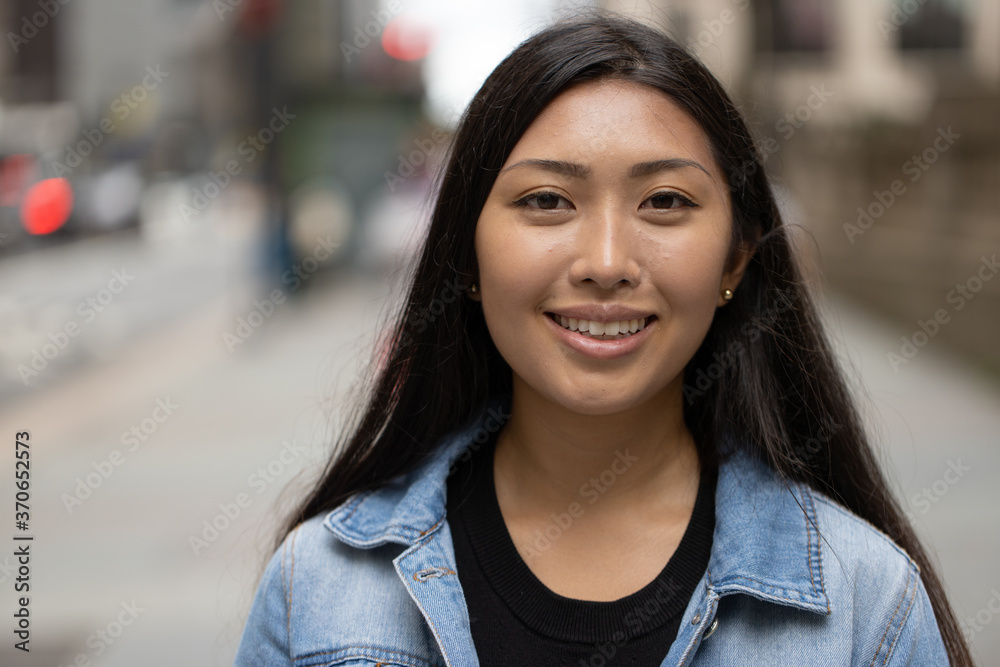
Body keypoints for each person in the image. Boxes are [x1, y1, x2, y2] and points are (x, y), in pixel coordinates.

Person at [234, 12, 972, 666]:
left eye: (665, 201)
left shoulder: (867, 606)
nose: (608, 264)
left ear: (736, 257)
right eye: (548, 200)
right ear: (465, 254)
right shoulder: (319, 592)